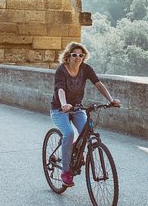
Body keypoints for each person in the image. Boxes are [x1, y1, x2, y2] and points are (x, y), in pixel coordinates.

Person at [51, 42, 120, 187]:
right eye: (74, 55)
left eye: (81, 55)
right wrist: (64, 104)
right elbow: (60, 89)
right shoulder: (61, 70)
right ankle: (66, 171)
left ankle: (76, 147)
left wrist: (111, 100)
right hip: (59, 109)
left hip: (76, 108)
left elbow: (98, 84)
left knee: (86, 130)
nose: (78, 58)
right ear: (68, 56)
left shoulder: (86, 69)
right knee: (68, 133)